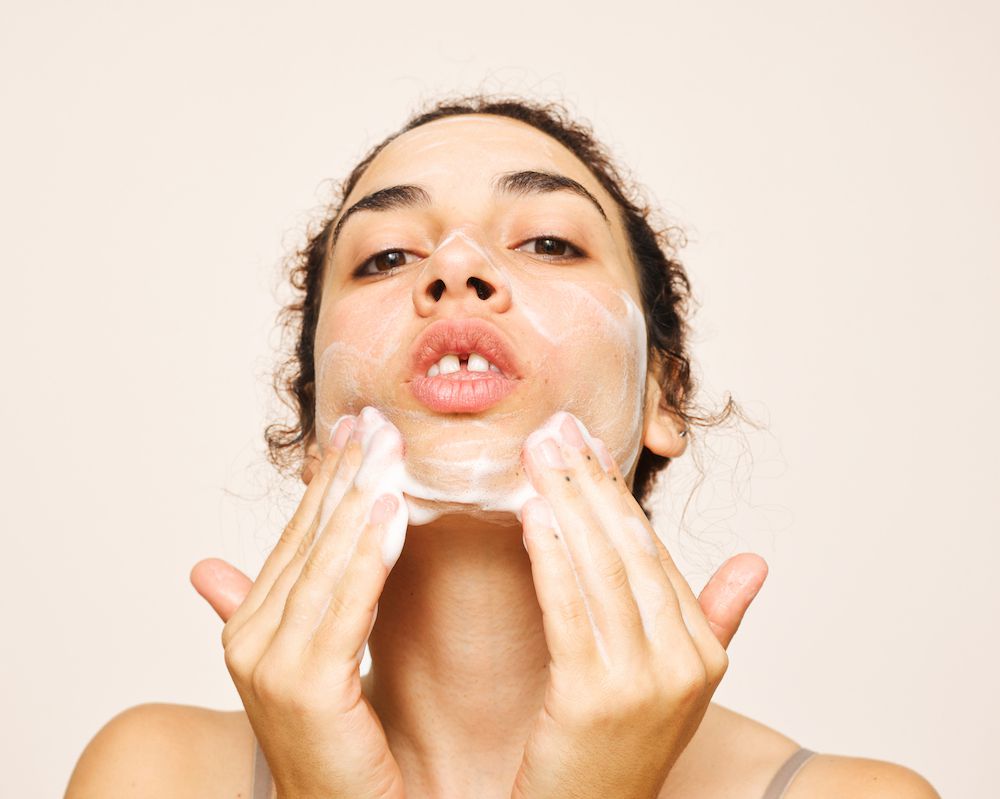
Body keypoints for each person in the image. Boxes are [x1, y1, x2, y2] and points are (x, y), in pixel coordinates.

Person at [65, 96, 940, 798]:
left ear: (661, 398)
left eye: (550, 241)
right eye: (384, 256)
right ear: (312, 422)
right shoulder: (151, 775)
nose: (454, 265)